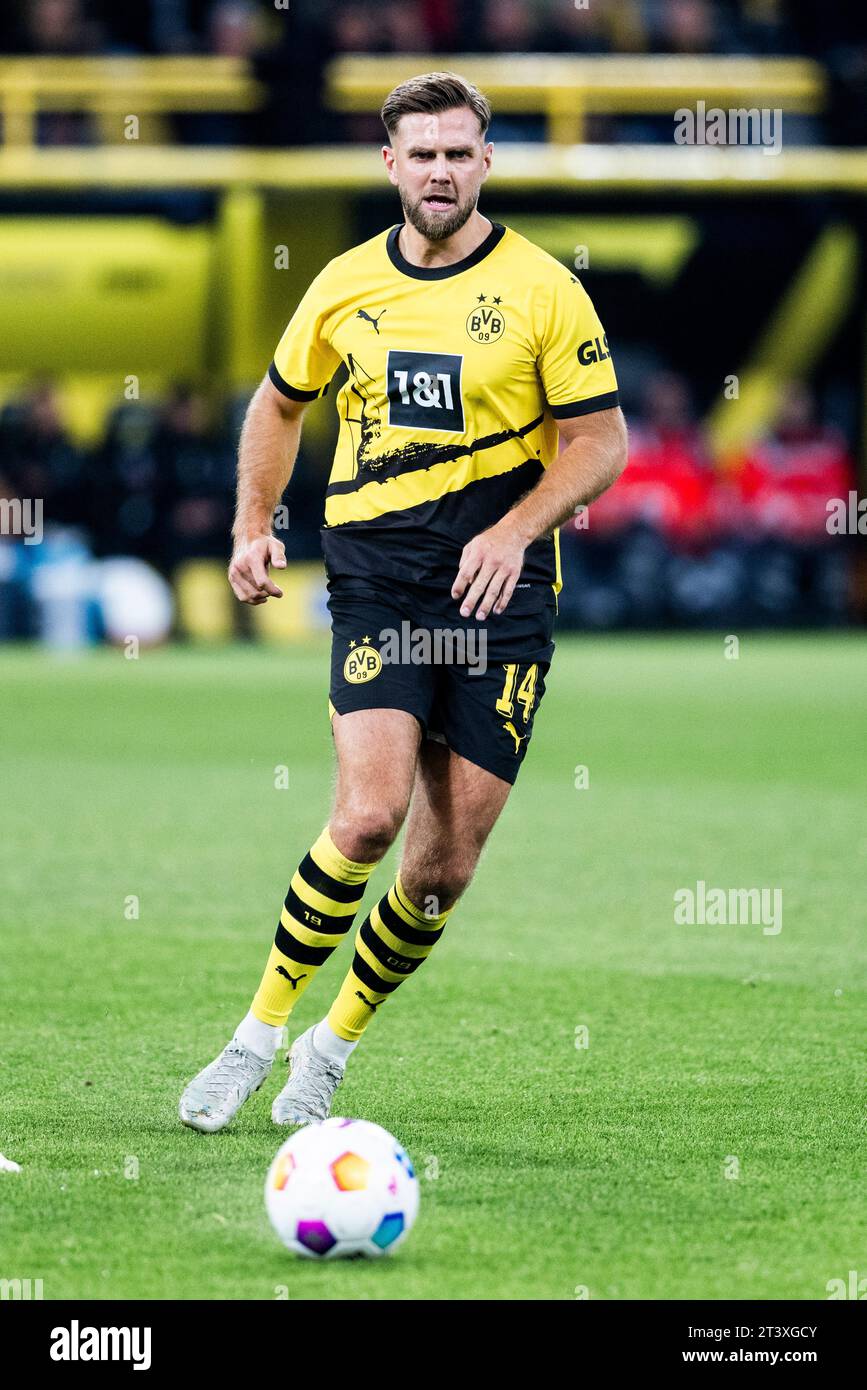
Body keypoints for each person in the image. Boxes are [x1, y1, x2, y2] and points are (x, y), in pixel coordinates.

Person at [179, 70, 627, 1133]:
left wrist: (517, 529)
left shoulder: (544, 291)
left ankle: (331, 1049)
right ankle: (256, 1036)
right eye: (420, 153)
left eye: (458, 152)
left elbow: (602, 442)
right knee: (371, 814)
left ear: (486, 161)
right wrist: (254, 521)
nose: (439, 170)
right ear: (390, 164)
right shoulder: (341, 285)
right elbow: (278, 403)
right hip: (379, 580)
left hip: (501, 595)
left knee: (442, 867)